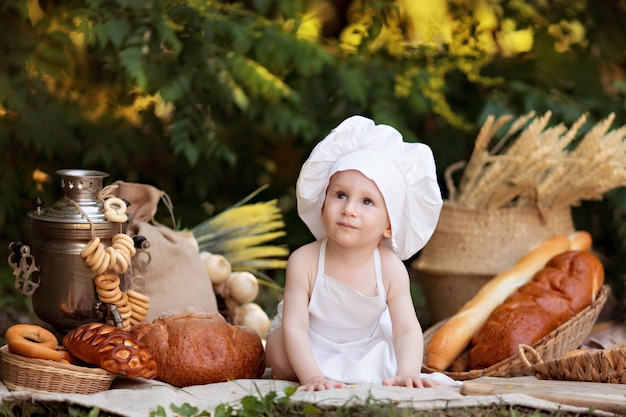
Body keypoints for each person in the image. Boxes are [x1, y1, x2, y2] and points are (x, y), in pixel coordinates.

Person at [265, 115, 458, 391]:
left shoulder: (389, 268)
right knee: (278, 351)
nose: (349, 209)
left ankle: (360, 371)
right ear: (322, 205)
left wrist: (407, 371)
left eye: (367, 201)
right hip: (310, 341)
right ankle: (320, 373)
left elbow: (406, 328)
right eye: (340, 195)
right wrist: (311, 377)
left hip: (366, 346)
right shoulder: (305, 261)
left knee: (394, 352)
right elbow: (296, 327)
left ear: (389, 225)